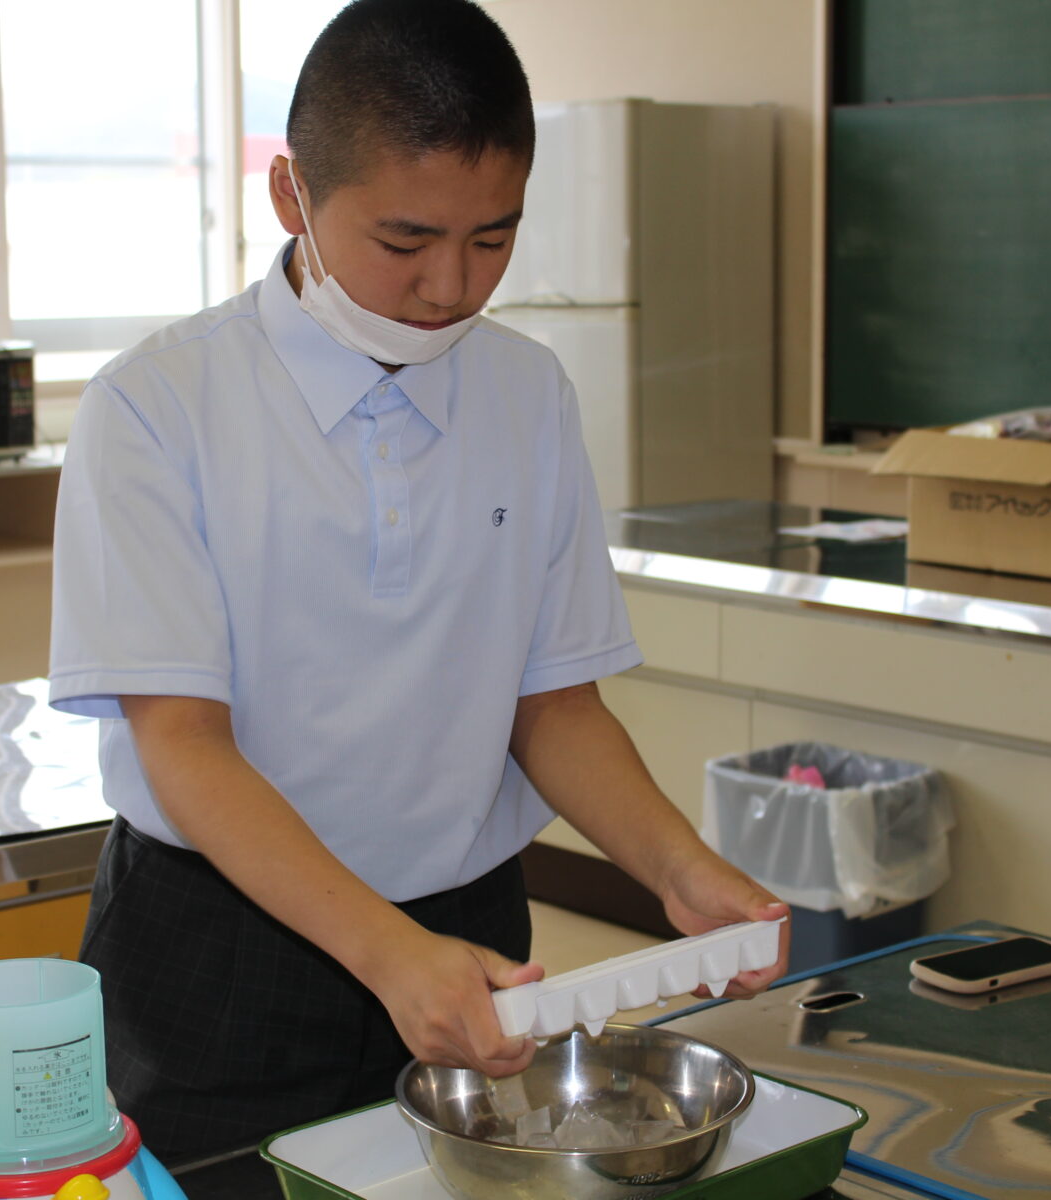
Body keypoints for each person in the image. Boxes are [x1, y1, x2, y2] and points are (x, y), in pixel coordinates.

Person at [48, 0, 789, 1162]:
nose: (451, 284)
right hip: (221, 953)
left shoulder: (526, 393)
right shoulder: (159, 407)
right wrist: (384, 953)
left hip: (467, 936)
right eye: (405, 242)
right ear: (291, 194)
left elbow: (551, 703)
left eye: (493, 238)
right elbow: (181, 742)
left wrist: (677, 869)